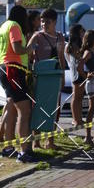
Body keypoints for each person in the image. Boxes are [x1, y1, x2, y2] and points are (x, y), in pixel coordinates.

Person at [0, 5, 36, 163]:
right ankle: (24, 151)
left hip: (3, 68)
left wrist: (2, 55)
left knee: (12, 108)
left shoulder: (3, 27)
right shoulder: (14, 26)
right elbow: (17, 48)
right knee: (24, 110)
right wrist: (29, 49)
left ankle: (8, 148)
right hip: (14, 69)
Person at [27, 9, 67, 146]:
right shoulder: (37, 36)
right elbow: (28, 53)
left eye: (47, 22)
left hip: (55, 77)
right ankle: (36, 142)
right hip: (40, 77)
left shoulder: (60, 37)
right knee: (38, 108)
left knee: (54, 109)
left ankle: (50, 141)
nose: (44, 24)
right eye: (42, 21)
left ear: (55, 22)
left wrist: (62, 76)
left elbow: (61, 57)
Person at [65, 24, 86, 130]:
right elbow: (77, 57)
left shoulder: (76, 44)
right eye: (82, 31)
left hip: (77, 72)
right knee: (76, 97)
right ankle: (76, 119)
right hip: (76, 73)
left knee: (79, 97)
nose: (83, 33)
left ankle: (79, 118)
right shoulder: (73, 45)